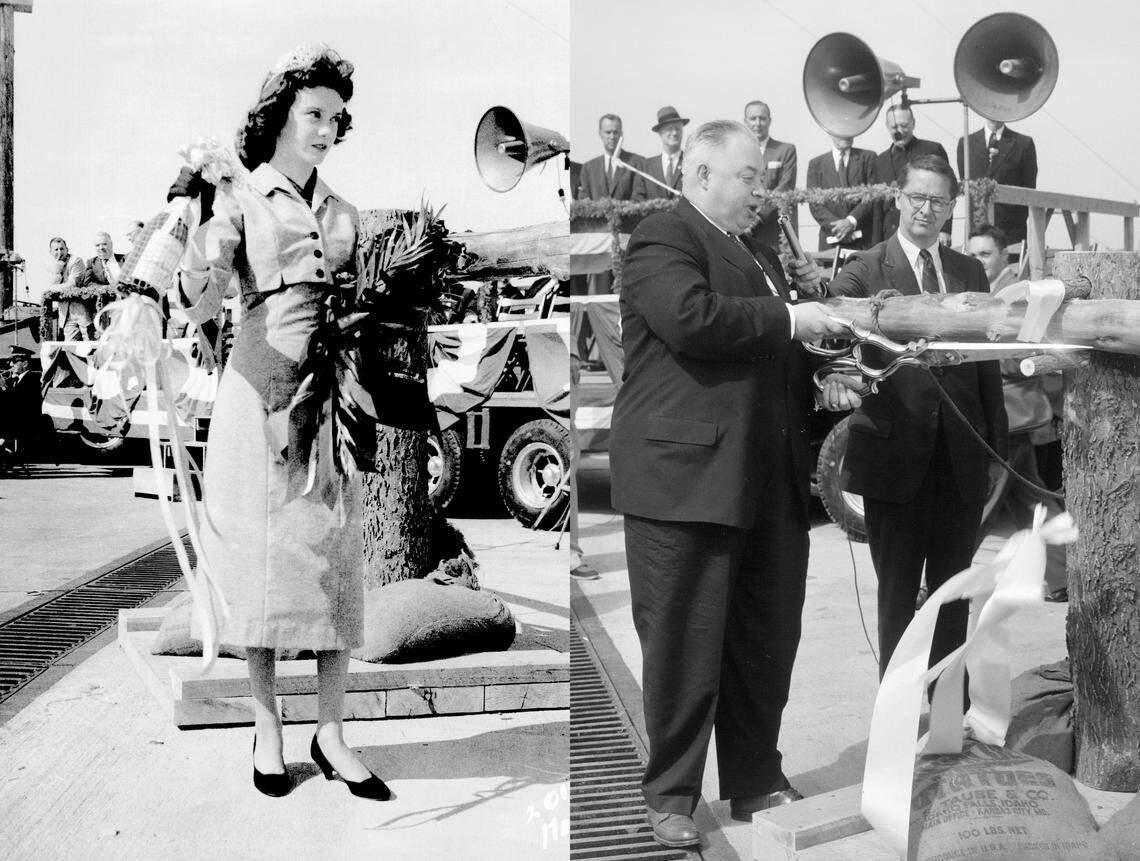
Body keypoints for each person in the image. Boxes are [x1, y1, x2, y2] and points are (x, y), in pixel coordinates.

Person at [610, 119, 861, 848]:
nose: (763, 190)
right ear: (700, 175)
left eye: (764, 177)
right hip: (683, 484)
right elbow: (692, 321)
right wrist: (790, 318)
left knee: (764, 641)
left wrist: (825, 376)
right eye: (749, 176)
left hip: (765, 482)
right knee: (685, 647)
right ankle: (672, 795)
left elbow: (775, 348)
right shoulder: (664, 237)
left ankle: (754, 777)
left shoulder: (759, 254)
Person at [170, 43, 390, 801]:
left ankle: (332, 733)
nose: (326, 129)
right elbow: (198, 300)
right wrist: (196, 219)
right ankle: (268, 730)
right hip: (256, 399)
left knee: (334, 568)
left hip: (326, 410)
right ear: (282, 117)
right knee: (262, 567)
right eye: (313, 115)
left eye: (336, 117)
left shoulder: (346, 213)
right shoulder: (239, 195)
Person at [829, 155, 1007, 679]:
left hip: (961, 460)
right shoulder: (865, 268)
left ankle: (950, 716)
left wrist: (995, 447)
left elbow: (987, 371)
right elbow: (833, 320)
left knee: (954, 595)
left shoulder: (969, 270)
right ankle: (898, 721)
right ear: (897, 198)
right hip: (894, 461)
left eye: (938, 201)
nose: (926, 210)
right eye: (917, 198)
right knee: (898, 600)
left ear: (952, 207)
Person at [967, 224, 1066, 600]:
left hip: (1008, 416)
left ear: (1004, 257)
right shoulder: (989, 292)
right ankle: (1064, 578)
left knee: (982, 503)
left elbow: (1017, 355)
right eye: (973, 253)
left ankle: (943, 576)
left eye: (985, 254)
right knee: (1032, 501)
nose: (978, 260)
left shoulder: (1016, 297)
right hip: (1008, 417)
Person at [872, 105, 951, 245]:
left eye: (904, 125)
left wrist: (945, 230)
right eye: (894, 127)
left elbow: (947, 190)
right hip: (890, 236)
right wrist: (876, 244)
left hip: (925, 230)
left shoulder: (932, 149)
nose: (899, 131)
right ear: (887, 127)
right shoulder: (880, 160)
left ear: (913, 123)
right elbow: (877, 208)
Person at [957, 120, 1037, 246]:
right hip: (977, 229)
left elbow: (1029, 189)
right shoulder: (966, 143)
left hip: (1011, 233)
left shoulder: (1023, 144)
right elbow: (966, 185)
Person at [742, 100, 797, 249]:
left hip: (775, 232)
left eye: (762, 118)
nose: (758, 123)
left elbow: (785, 186)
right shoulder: (738, 155)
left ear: (770, 120)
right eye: (753, 118)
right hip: (744, 232)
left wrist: (756, 217)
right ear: (745, 122)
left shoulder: (785, 150)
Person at [805, 134, 875, 251]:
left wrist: (851, 221)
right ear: (830, 131)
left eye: (848, 130)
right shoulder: (816, 164)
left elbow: (872, 196)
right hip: (830, 241)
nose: (845, 134)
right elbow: (815, 204)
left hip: (863, 241)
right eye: (840, 130)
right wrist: (838, 227)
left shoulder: (868, 158)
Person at [631, 105, 686, 202]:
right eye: (669, 129)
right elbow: (637, 201)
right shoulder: (645, 166)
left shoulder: (691, 163)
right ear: (660, 132)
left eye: (677, 128)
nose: (674, 133)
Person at [0, 344, 43, 457]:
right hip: (14, 420)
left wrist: (4, 388)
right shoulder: (13, 380)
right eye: (11, 361)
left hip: (25, 421)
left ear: (25, 363)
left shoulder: (33, 380)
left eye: (14, 361)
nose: (11, 364)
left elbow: (18, 403)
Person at [47, 237, 92, 340]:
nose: (60, 252)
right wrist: (58, 271)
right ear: (50, 252)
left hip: (82, 310)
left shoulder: (76, 260)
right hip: (65, 313)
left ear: (67, 249)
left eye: (62, 249)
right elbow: (50, 286)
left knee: (90, 344)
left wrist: (53, 287)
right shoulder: (51, 266)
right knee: (70, 346)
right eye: (56, 250)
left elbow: (72, 285)